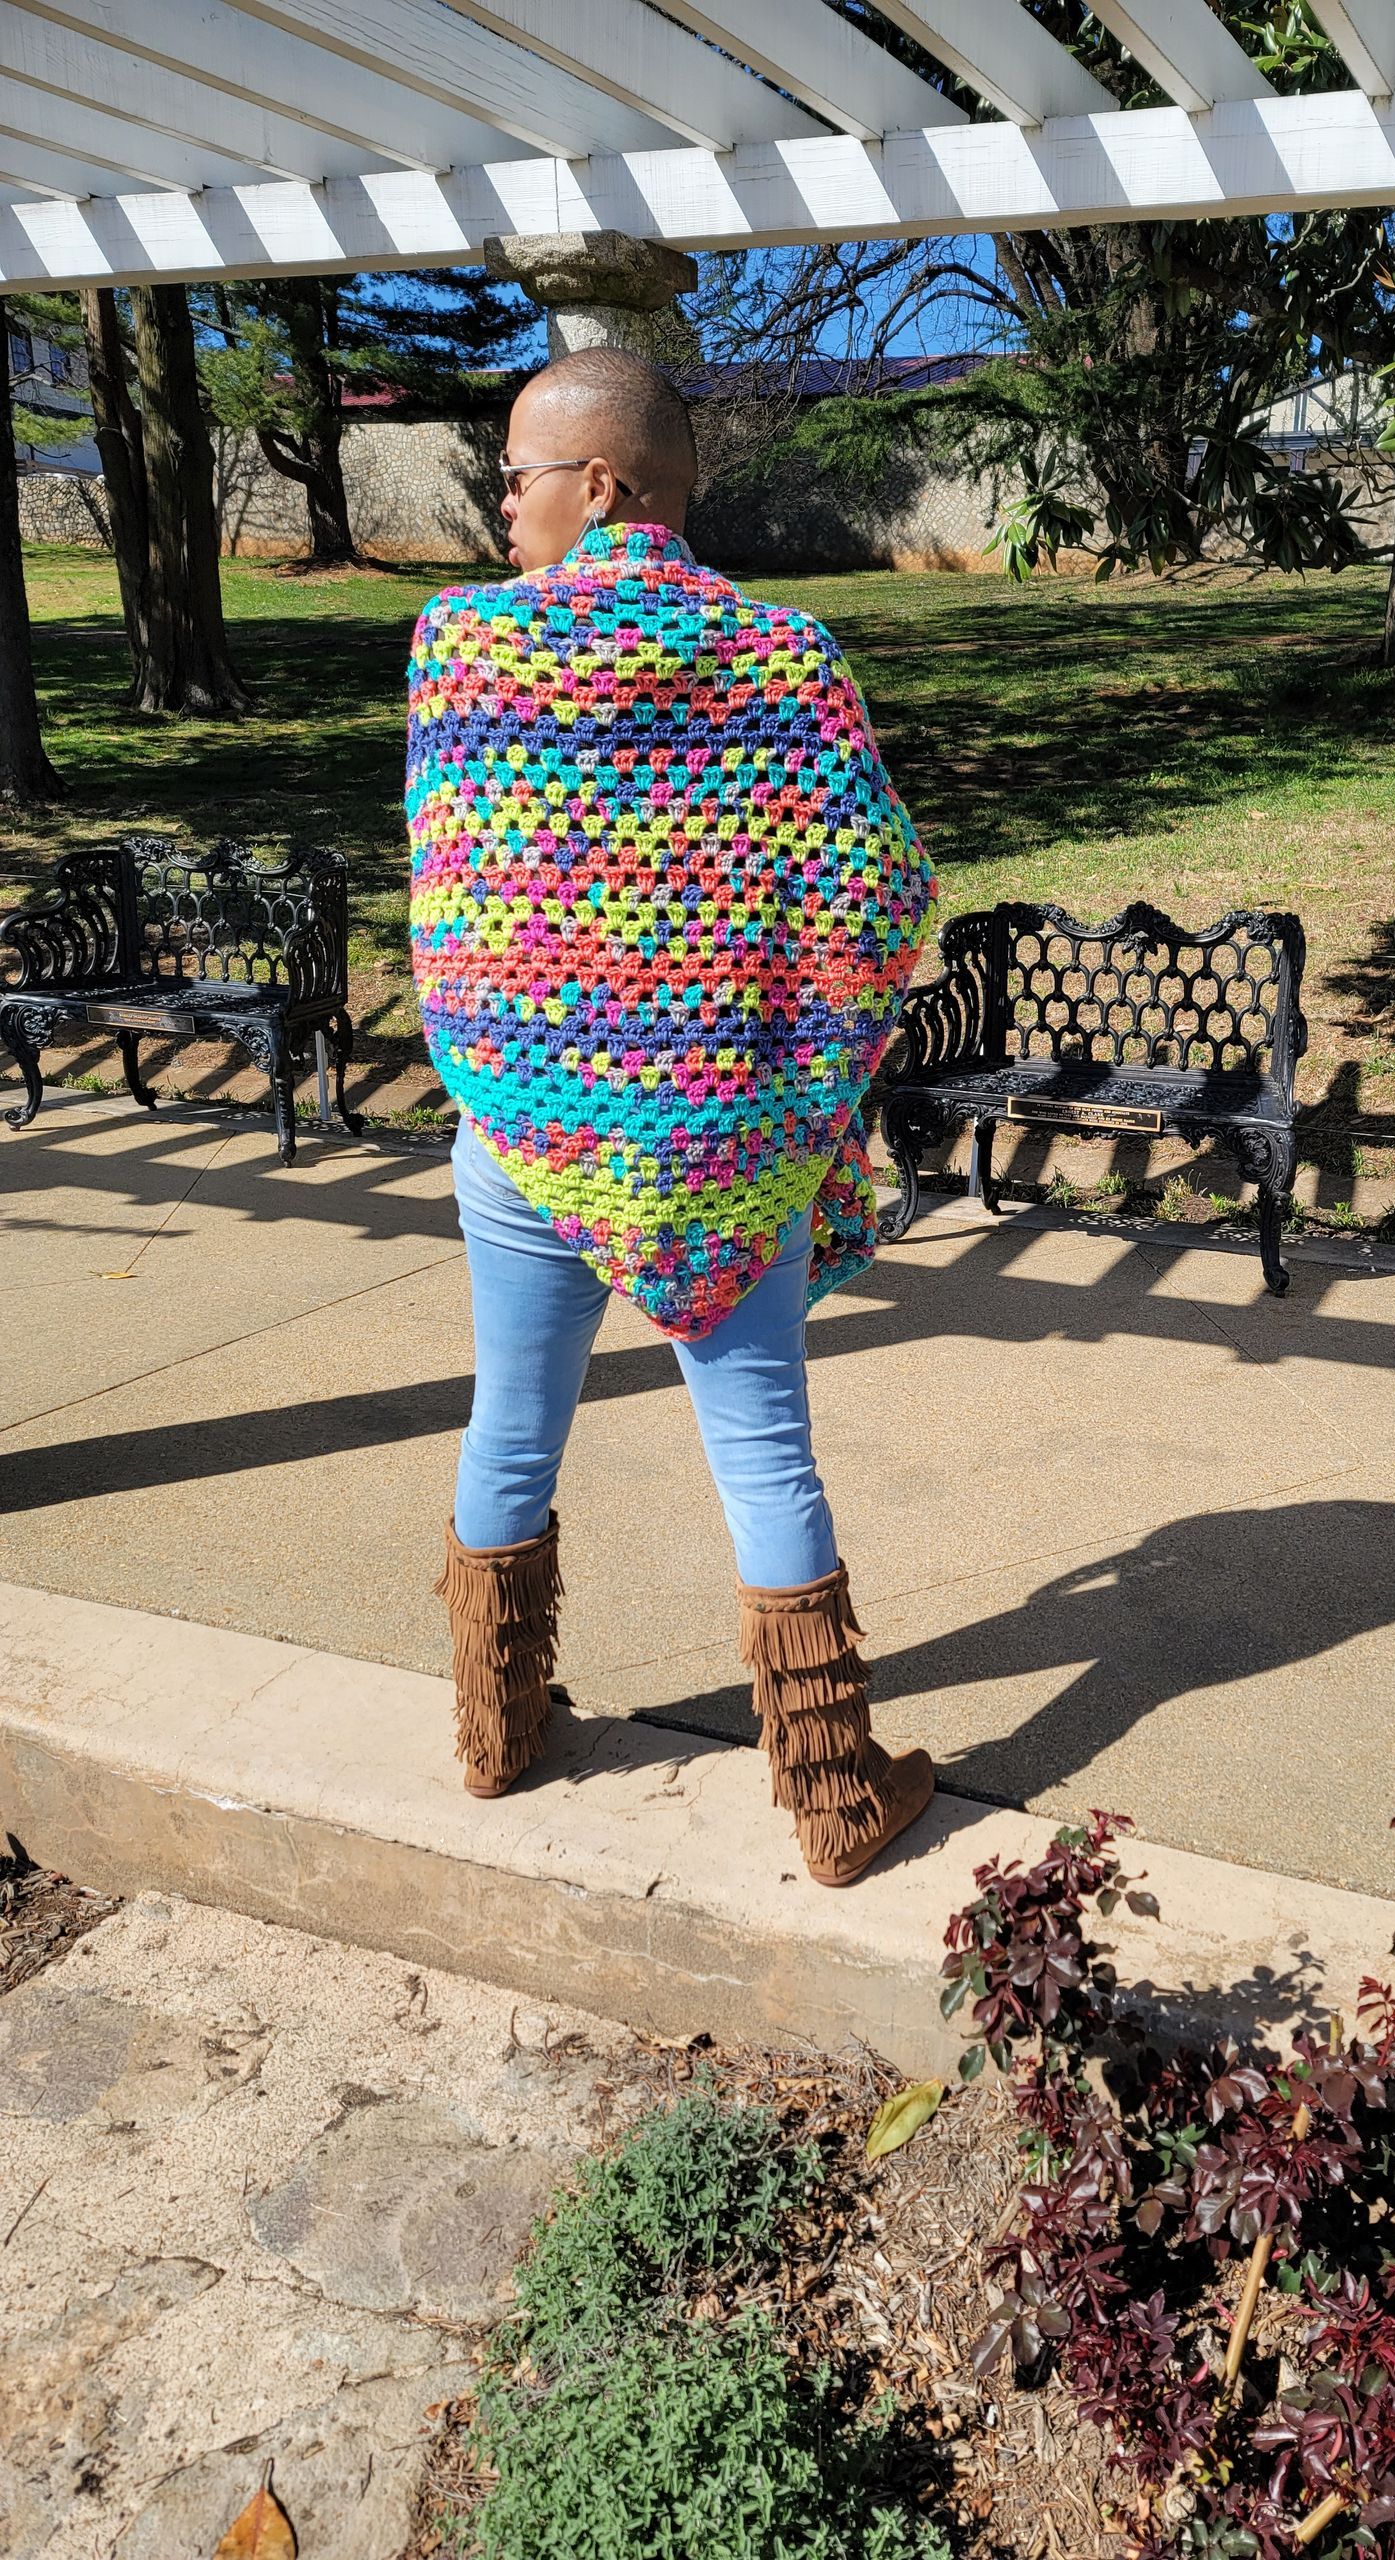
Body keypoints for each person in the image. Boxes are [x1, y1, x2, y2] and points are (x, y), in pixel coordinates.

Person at [405, 346, 937, 1887]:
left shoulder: (460, 652)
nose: (499, 502)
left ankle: (496, 1741)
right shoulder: (783, 658)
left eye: (519, 473)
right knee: (766, 1459)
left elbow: (461, 908)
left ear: (609, 483)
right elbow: (880, 896)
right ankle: (834, 1802)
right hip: (725, 1162)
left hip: (519, 1137)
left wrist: (536, 1065)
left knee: (513, 1423)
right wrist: (798, 1088)